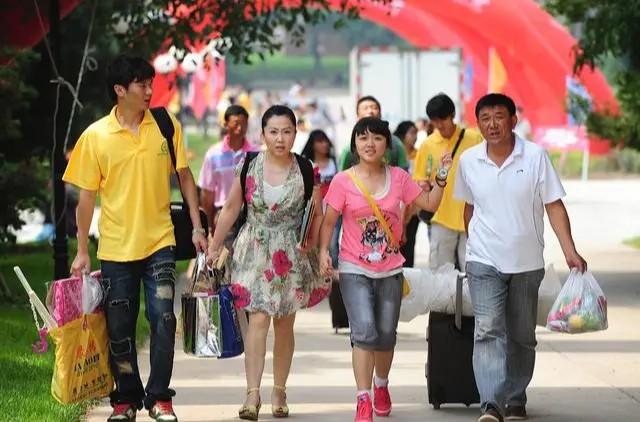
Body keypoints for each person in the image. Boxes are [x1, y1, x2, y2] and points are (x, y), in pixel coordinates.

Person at [63, 54, 207, 422]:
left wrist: (197, 225)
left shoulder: (164, 123)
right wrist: (82, 250)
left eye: (149, 83)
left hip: (160, 243)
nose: (149, 90)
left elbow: (185, 176)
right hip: (114, 250)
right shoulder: (95, 136)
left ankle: (160, 398)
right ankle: (125, 400)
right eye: (141, 84)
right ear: (119, 90)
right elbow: (86, 199)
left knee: (164, 320)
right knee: (120, 329)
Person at [454, 93, 587, 422]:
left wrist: (570, 250)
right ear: (478, 124)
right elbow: (468, 208)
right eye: (485, 118)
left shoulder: (535, 156)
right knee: (487, 329)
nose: (492, 124)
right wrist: (473, 246)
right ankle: (491, 404)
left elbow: (553, 205)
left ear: (514, 120)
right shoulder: (469, 160)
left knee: (522, 335)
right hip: (483, 260)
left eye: (499, 116)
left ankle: (515, 396)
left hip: (527, 263)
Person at [318, 117, 452, 422]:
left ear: (386, 145)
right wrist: (325, 251)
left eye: (377, 138)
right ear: (354, 145)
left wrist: (441, 176)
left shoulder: (400, 178)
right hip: (354, 267)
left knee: (386, 335)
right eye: (363, 138)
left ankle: (381, 385)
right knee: (364, 331)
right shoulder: (343, 181)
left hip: (390, 268)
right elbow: (329, 221)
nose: (369, 144)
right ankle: (362, 398)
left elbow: (429, 203)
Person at [206, 105, 328, 421]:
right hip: (253, 250)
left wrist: (319, 249)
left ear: (295, 133)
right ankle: (252, 394)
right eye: (273, 132)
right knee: (258, 319)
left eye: (286, 131)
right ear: (262, 135)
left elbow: (316, 213)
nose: (280, 138)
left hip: (290, 254)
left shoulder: (306, 168)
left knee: (284, 324)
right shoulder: (247, 164)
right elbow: (232, 207)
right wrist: (214, 245)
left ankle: (279, 390)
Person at [412, 93, 483, 271]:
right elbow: (418, 179)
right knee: (440, 274)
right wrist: (423, 185)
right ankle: (446, 301)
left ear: (453, 115)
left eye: (443, 118)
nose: (439, 124)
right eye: (435, 120)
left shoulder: (474, 139)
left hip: (473, 217)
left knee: (473, 272)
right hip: (441, 218)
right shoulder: (427, 145)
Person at [199, 105, 260, 249]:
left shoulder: (257, 154)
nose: (240, 128)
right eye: (235, 123)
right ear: (225, 124)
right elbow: (208, 194)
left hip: (251, 215)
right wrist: (209, 226)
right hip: (223, 214)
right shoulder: (213, 155)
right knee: (224, 259)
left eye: (243, 124)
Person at [338, 96, 409, 172]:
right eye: (365, 108)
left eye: (374, 108)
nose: (370, 111)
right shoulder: (349, 150)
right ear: (357, 116)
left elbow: (404, 172)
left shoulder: (396, 144)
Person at [393, 121, 420, 267]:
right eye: (412, 132)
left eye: (416, 132)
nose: (415, 136)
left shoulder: (419, 154)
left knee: (409, 245)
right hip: (395, 207)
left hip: (412, 209)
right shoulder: (394, 153)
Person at [300, 129, 338, 199]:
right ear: (312, 144)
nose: (325, 144)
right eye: (320, 141)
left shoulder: (336, 162)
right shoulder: (307, 165)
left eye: (326, 141)